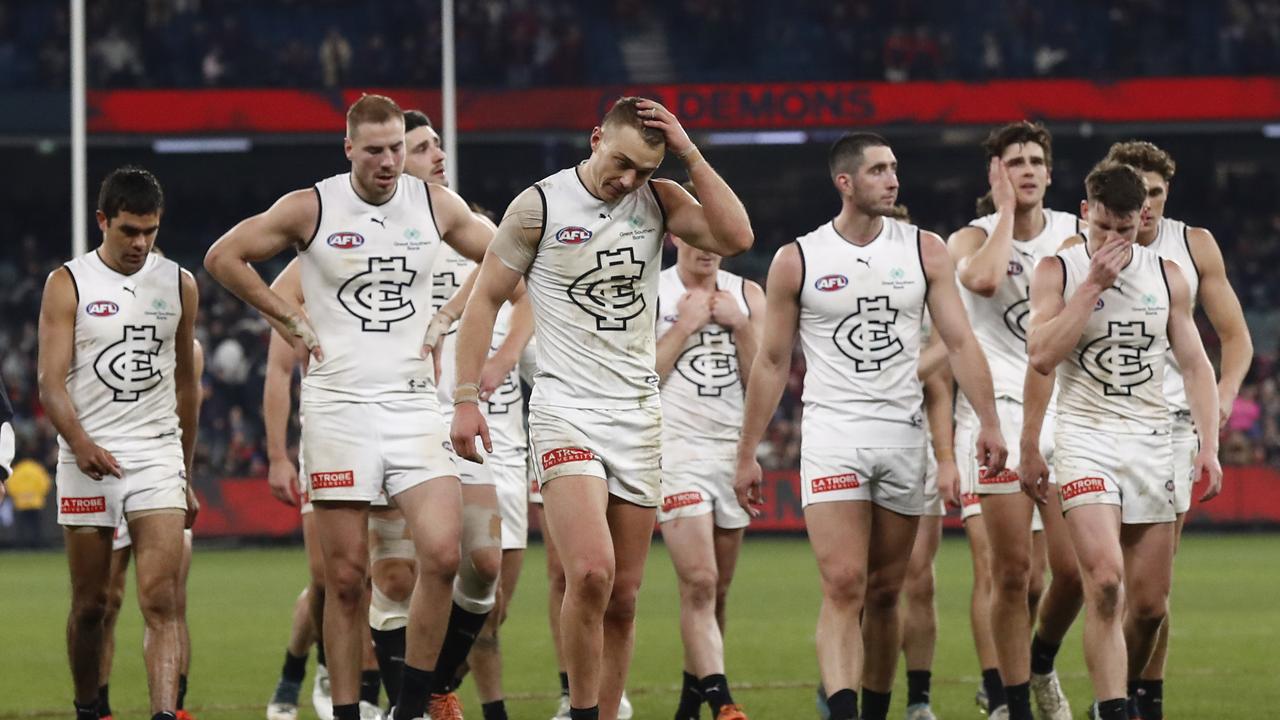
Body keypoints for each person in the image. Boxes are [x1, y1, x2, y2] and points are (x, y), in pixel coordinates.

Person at [451, 96, 753, 720]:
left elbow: (736, 236)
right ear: (595, 139)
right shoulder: (539, 206)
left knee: (624, 597)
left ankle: (607, 710)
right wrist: (464, 400)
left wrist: (689, 154)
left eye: (644, 170)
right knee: (590, 572)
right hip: (566, 408)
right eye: (620, 163)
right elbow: (484, 301)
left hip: (639, 414)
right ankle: (583, 711)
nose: (628, 180)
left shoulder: (660, 201)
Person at [204, 94, 494, 720]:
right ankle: (344, 711)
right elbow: (223, 257)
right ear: (349, 150)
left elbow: (504, 259)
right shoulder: (312, 205)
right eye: (375, 151)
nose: (389, 161)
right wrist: (287, 317)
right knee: (343, 580)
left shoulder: (436, 206)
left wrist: (449, 314)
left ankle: (411, 705)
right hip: (338, 410)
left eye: (396, 148)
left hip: (413, 406)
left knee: (444, 555)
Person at [734, 132, 1006, 720]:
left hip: (904, 438)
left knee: (886, 593)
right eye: (879, 170)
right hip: (833, 436)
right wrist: (747, 450)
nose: (893, 179)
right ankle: (844, 711)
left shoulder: (925, 249)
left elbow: (959, 340)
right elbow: (773, 361)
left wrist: (988, 421)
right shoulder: (797, 259)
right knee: (843, 584)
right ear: (846, 182)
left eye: (895, 167)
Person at [1018, 161, 1221, 720]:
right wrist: (1091, 288)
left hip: (1152, 441)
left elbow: (1197, 365)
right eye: (1103, 226)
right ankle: (1112, 710)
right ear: (1086, 212)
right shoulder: (1058, 270)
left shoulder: (1169, 275)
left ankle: (1116, 696)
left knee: (1151, 606)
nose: (1112, 239)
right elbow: (1041, 355)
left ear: (1144, 219)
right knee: (1105, 582)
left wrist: (1209, 444)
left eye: (1124, 229)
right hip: (1085, 438)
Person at [38, 166, 201, 720]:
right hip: (89, 457)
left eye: (150, 231)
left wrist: (186, 472)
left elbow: (186, 385)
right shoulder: (68, 283)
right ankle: (89, 708)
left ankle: (162, 715)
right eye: (129, 230)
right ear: (103, 220)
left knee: (161, 598)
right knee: (93, 605)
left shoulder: (180, 284)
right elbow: (49, 383)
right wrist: (79, 443)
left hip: (156, 455)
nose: (140, 243)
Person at [1104, 140, 1252, 719]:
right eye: (1136, 194)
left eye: (1156, 195)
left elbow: (1236, 338)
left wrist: (1219, 405)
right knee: (1101, 579)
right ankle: (1100, 689)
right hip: (1097, 426)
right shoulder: (1085, 245)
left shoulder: (1193, 246)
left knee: (1150, 591)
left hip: (1170, 428)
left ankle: (1144, 695)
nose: (1146, 207)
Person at [945, 122, 1079, 720]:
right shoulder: (966, 239)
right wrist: (1003, 214)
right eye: (1014, 162)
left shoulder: (1076, 237)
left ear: (1050, 172)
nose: (1027, 170)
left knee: (1071, 574)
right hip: (992, 412)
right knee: (1012, 573)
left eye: (1035, 161)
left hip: (1064, 411)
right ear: (997, 173)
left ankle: (1041, 664)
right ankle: (1009, 700)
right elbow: (984, 279)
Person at [654, 186, 763, 720]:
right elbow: (638, 378)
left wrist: (741, 327)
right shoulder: (651, 293)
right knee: (698, 580)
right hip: (673, 450)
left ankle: (688, 705)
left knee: (716, 594)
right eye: (698, 236)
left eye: (717, 239)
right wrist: (685, 324)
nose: (707, 247)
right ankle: (724, 701)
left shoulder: (749, 295)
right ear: (676, 235)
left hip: (731, 452)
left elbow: (763, 384)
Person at [100, 333, 205, 720]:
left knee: (171, 601)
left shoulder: (189, 350)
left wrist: (185, 480)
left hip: (162, 474)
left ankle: (175, 708)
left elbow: (187, 412)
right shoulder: (98, 334)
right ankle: (100, 708)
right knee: (104, 601)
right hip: (108, 472)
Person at [261, 259, 337, 720]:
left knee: (387, 576)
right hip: (325, 442)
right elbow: (277, 372)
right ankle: (304, 670)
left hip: (396, 433)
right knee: (328, 578)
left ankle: (373, 686)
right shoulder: (306, 272)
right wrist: (276, 455)